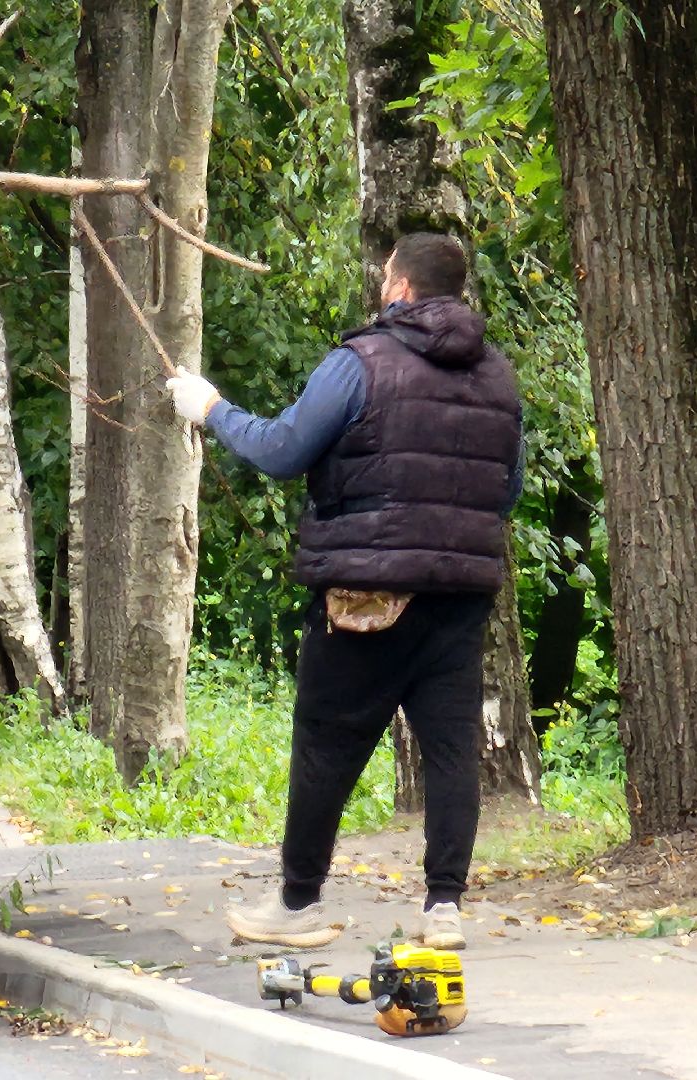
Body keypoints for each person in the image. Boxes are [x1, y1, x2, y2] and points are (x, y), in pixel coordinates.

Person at [165, 232, 524, 951]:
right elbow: (505, 493)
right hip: (460, 593)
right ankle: (444, 906)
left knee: (327, 740)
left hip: (365, 595)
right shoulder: (500, 378)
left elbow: (283, 451)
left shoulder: (360, 363)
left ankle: (297, 903)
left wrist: (209, 409)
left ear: (399, 288)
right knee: (452, 749)